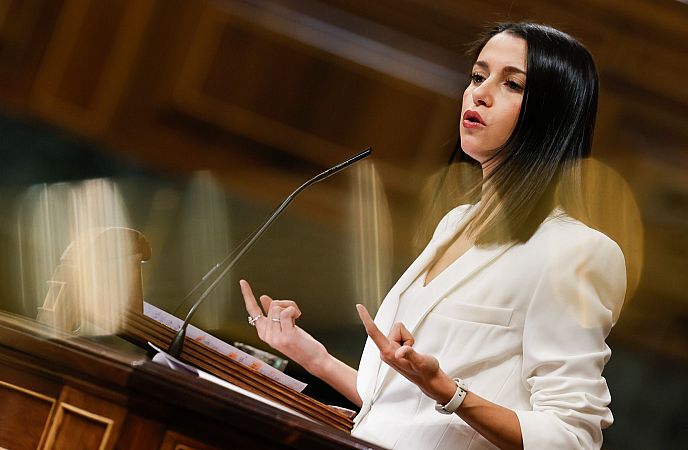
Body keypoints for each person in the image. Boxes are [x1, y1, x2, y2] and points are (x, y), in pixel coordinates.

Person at [240, 22, 626, 450]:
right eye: (478, 76)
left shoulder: (576, 253)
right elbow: (405, 411)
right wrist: (313, 357)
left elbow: (572, 438)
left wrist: (447, 389)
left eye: (512, 84)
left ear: (554, 114)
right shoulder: (455, 222)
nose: (479, 93)